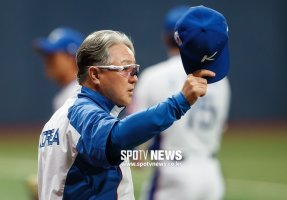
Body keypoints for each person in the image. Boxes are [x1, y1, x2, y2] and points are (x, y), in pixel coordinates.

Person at [37, 29, 215, 200]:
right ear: (95, 74)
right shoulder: (82, 113)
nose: (134, 77)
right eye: (124, 69)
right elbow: (115, 138)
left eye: (134, 70)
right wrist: (179, 103)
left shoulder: (62, 116)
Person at [132, 6, 231, 200]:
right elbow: (221, 127)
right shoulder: (221, 79)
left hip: (173, 170)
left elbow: (138, 131)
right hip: (211, 172)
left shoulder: (154, 76)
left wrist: (137, 156)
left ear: (166, 38)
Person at [34, 27, 84, 111]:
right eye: (46, 56)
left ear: (71, 57)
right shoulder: (69, 94)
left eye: (52, 56)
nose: (47, 61)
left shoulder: (80, 95)